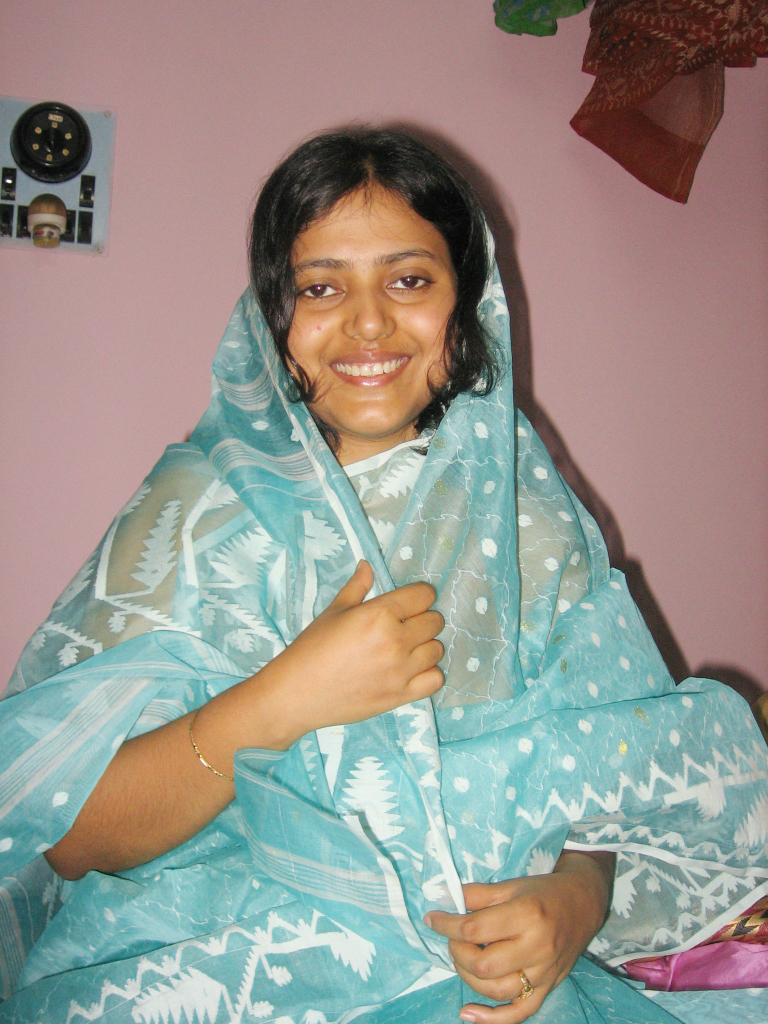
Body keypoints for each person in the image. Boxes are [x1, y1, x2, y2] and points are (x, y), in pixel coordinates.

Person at [0, 128, 766, 1024]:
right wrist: (282, 700)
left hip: (484, 981)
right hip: (221, 967)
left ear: (465, 307)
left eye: (409, 280)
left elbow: (614, 778)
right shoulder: (194, 514)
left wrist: (577, 898)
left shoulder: (527, 517)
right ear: (272, 316)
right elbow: (68, 837)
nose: (368, 323)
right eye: (321, 287)